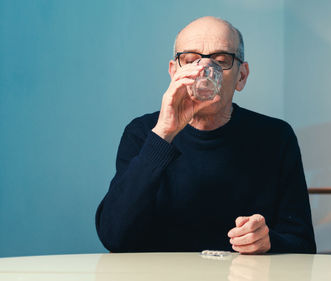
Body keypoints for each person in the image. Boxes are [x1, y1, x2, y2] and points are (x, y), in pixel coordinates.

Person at [95, 16, 316, 254]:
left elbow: (303, 244)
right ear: (174, 72)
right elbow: (114, 237)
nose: (205, 71)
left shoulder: (276, 137)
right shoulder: (143, 132)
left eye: (221, 61)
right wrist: (163, 134)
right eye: (190, 60)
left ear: (241, 76)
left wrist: (268, 241)